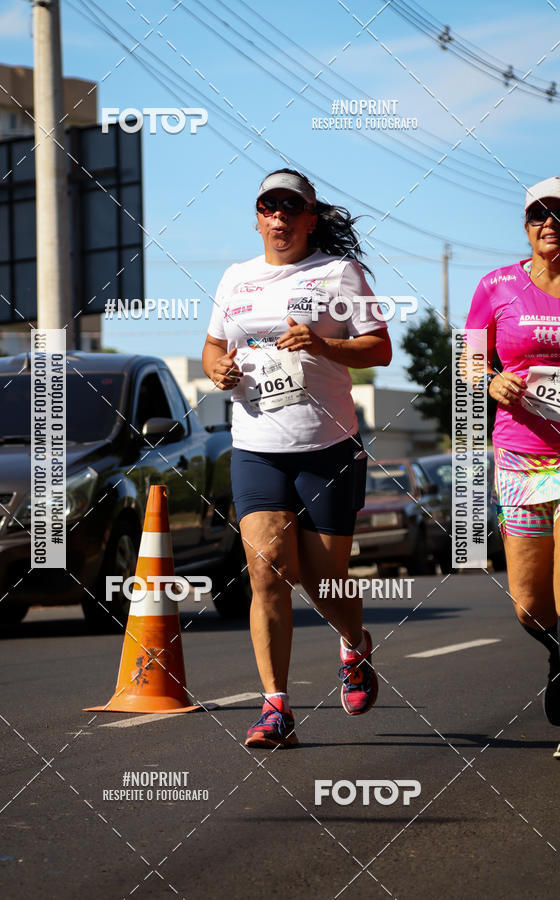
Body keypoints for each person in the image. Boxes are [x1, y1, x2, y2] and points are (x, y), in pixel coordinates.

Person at [202, 169, 392, 748]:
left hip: (326, 446)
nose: (279, 215)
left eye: (292, 206)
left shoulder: (339, 274)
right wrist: (217, 369)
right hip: (256, 447)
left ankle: (353, 646)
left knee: (325, 581)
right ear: (258, 216)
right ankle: (276, 709)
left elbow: (379, 348)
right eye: (269, 205)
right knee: (267, 573)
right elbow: (213, 346)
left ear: (311, 217)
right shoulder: (237, 278)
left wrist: (321, 343)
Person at [465, 176, 560, 753]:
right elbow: (471, 361)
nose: (549, 224)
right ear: (525, 226)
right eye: (538, 215)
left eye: (559, 214)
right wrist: (492, 379)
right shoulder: (496, 284)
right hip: (521, 454)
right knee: (529, 605)